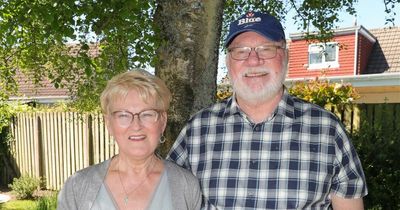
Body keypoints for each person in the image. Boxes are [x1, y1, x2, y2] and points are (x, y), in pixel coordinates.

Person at [167, 11, 367, 209]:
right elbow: (164, 197)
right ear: (228, 62)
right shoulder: (197, 129)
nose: (253, 61)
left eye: (266, 49)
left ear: (285, 56)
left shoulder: (327, 130)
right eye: (241, 51)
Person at [57, 70, 202, 210]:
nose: (136, 126)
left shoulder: (186, 186)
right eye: (123, 115)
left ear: (162, 122)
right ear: (109, 124)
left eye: (147, 114)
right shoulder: (77, 186)